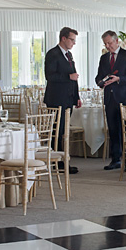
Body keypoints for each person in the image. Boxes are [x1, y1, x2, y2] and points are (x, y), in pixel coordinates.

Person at [95, 29, 126, 170]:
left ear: (116, 41)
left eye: (109, 43)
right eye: (105, 44)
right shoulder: (104, 58)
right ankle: (115, 159)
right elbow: (98, 77)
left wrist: (118, 79)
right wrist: (100, 82)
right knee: (113, 130)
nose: (107, 46)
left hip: (125, 97)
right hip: (110, 98)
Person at [44, 26, 80, 174]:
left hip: (68, 98)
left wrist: (77, 97)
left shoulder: (69, 55)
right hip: (56, 98)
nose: (74, 43)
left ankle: (63, 161)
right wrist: (68, 77)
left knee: (64, 132)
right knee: (57, 131)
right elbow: (49, 76)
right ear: (63, 38)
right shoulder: (53, 54)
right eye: (72, 40)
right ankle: (58, 163)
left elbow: (74, 76)